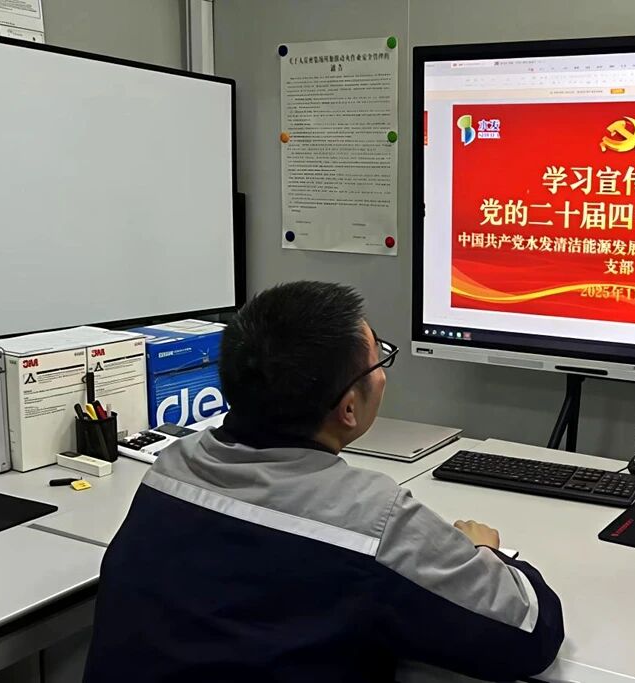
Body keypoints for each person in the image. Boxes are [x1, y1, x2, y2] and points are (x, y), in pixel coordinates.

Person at [83, 281, 564, 683]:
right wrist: (486, 553)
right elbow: (530, 634)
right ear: (348, 408)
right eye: (379, 361)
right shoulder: (371, 519)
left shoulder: (171, 468)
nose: (383, 376)